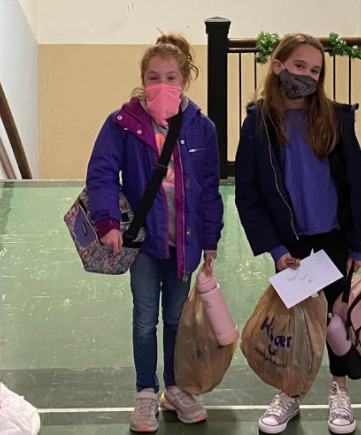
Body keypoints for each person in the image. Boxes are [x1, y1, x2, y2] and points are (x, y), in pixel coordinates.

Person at [235, 34, 361, 435]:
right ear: (278, 66)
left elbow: (356, 185)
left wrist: (359, 244)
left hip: (334, 237)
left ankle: (339, 391)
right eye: (300, 67)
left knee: (337, 318)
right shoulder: (258, 123)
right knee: (292, 320)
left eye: (315, 70)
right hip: (291, 243)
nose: (307, 76)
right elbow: (248, 194)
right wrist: (276, 249)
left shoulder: (334, 117)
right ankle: (290, 393)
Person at [86, 34, 224, 433]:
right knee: (145, 318)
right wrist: (108, 221)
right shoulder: (122, 124)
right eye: (153, 76)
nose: (161, 84)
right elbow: (102, 171)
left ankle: (176, 388)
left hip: (186, 243)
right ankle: (145, 392)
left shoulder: (202, 129)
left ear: (185, 79)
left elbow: (211, 189)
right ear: (142, 80)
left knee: (177, 320)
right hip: (144, 244)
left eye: (171, 76)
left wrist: (211, 239)